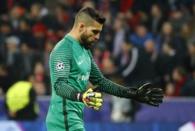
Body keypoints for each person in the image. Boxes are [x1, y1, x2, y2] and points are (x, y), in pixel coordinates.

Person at [46, 7, 164, 131]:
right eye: (95, 31)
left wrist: (133, 93)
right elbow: (59, 85)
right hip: (62, 120)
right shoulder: (63, 49)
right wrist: (81, 96)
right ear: (81, 26)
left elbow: (101, 82)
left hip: (74, 119)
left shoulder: (84, 51)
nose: (97, 37)